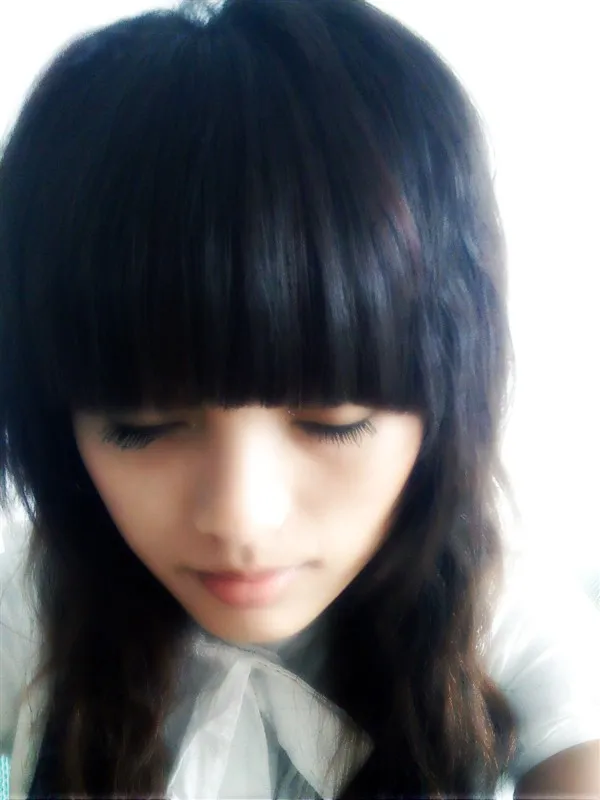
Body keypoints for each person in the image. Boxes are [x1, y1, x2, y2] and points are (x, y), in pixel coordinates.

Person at [0, 0, 599, 797]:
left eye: (333, 422)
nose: (240, 519)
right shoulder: (32, 607)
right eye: (140, 427)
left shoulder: (500, 616)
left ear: (447, 397)